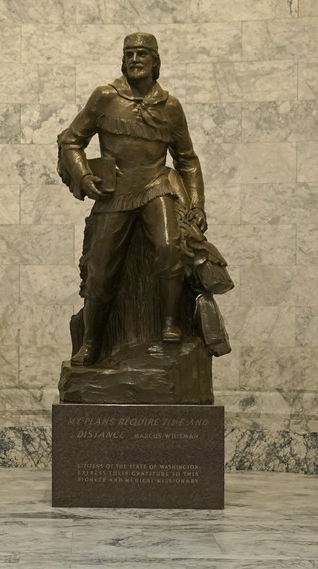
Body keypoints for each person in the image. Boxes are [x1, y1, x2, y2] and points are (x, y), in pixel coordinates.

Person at [57, 32, 207, 366]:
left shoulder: (170, 107)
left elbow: (187, 160)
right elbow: (70, 140)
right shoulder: (105, 97)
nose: (135, 59)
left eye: (142, 54)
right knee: (99, 271)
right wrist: (83, 175)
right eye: (129, 54)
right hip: (116, 194)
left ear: (156, 61)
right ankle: (91, 342)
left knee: (170, 248)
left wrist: (196, 204)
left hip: (156, 187)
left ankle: (171, 323)